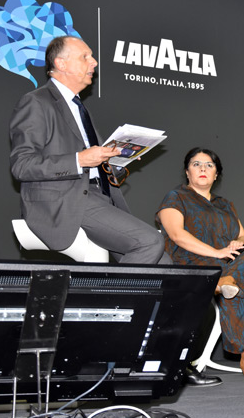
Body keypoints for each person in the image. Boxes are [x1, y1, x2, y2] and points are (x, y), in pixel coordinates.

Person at [9, 36, 168, 264]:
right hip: (66, 202)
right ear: (61, 63)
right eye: (85, 57)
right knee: (150, 242)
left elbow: (94, 164)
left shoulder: (78, 107)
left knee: (164, 263)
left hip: (98, 198)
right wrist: (79, 160)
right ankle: (111, 290)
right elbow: (22, 165)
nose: (94, 62)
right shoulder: (36, 102)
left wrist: (118, 161)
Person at [158, 147, 244, 378]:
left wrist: (236, 244)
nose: (203, 168)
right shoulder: (175, 197)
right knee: (238, 288)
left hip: (228, 265)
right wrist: (216, 251)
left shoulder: (225, 204)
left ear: (216, 175)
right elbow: (176, 235)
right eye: (196, 164)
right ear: (187, 172)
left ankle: (225, 282)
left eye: (209, 165)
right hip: (191, 263)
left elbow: (242, 236)